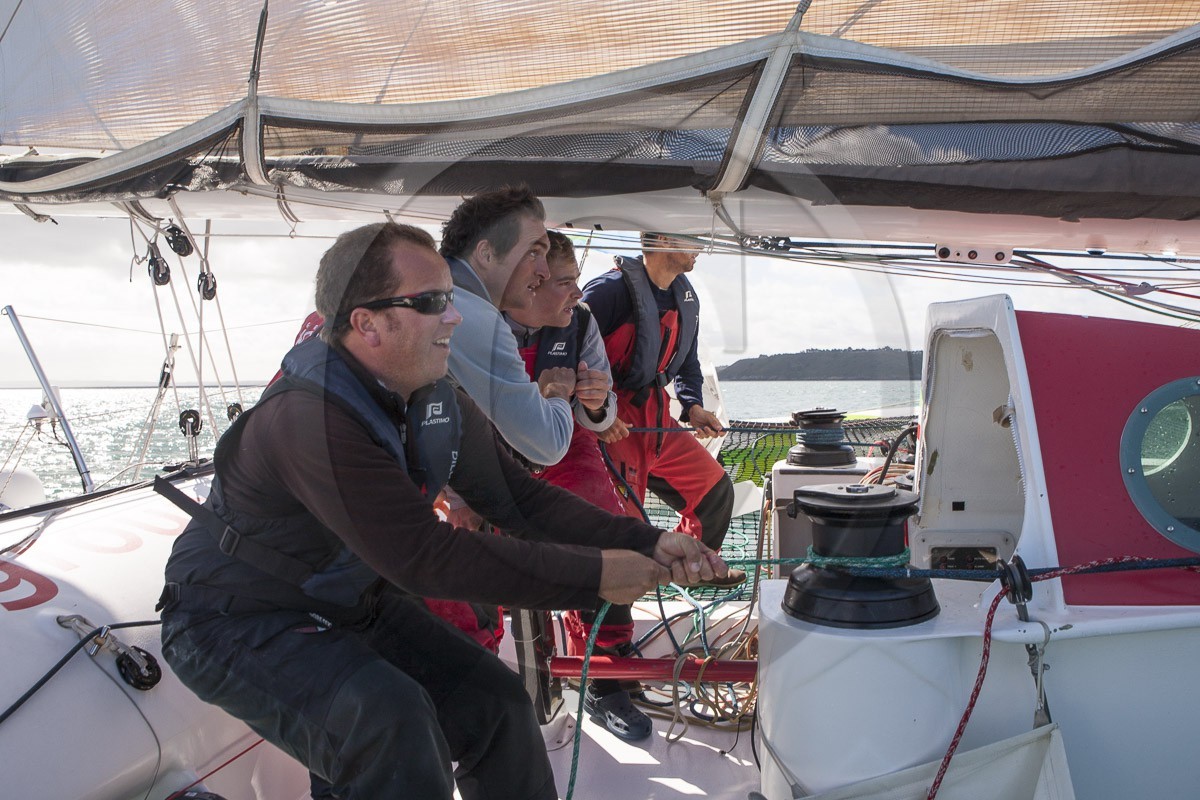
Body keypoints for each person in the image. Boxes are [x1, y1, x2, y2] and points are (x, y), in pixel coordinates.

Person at [156, 222, 732, 799]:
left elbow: (518, 499)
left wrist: (644, 542)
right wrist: (597, 577)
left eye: (450, 301)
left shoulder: (431, 395)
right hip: (233, 616)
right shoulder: (311, 419)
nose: (454, 318)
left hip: (348, 597)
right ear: (367, 323)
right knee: (391, 725)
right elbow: (423, 558)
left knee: (501, 708)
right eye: (432, 304)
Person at [505, 230, 651, 741]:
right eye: (566, 283)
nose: (577, 293)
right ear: (529, 286)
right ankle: (522, 681)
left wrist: (593, 404)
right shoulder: (481, 326)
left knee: (608, 535)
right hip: (496, 455)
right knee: (504, 554)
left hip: (565, 445)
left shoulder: (582, 323)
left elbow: (601, 413)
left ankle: (605, 670)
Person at [581, 232, 738, 556]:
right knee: (623, 534)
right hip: (610, 423)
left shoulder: (686, 299)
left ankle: (683, 566)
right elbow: (569, 354)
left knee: (715, 493)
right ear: (664, 239)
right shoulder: (608, 293)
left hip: (656, 420)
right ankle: (603, 603)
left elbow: (688, 362)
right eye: (694, 240)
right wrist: (597, 416)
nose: (702, 249)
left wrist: (693, 406)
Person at [439, 185, 610, 468]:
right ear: (486, 253)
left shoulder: (436, 291)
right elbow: (549, 443)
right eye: (533, 253)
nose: (543, 272)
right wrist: (556, 393)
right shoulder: (473, 317)